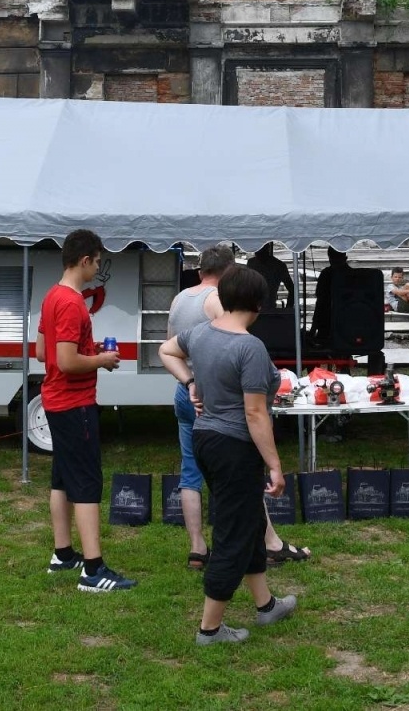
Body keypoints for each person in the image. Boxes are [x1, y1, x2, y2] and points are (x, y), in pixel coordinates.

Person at [159, 266, 299, 645]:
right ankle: (210, 629)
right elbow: (255, 414)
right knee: (234, 534)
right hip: (234, 447)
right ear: (259, 304)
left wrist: (189, 381)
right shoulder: (249, 347)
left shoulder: (202, 333)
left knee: (249, 522)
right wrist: (275, 466)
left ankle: (266, 605)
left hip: (206, 439)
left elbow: (166, 349)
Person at [168, 246, 308, 571]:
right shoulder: (219, 301)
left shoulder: (179, 299)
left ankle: (197, 548)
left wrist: (189, 381)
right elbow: (231, 343)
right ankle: (266, 543)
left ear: (201, 270)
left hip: (187, 390)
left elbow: (171, 345)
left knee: (190, 472)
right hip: (217, 399)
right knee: (240, 477)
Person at [40, 229, 137, 592]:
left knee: (62, 479)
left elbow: (43, 352)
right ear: (84, 261)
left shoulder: (52, 296)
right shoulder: (71, 302)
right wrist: (101, 360)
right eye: (97, 262)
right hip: (74, 403)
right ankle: (93, 571)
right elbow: (66, 362)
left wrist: (87, 350)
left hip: (55, 400)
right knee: (86, 483)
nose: (98, 268)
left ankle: (63, 554)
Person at [246, 243, 296, 311]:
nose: (257, 253)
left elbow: (292, 289)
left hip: (269, 308)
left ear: (267, 249)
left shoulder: (279, 266)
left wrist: (288, 309)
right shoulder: (251, 263)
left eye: (260, 250)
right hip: (253, 308)